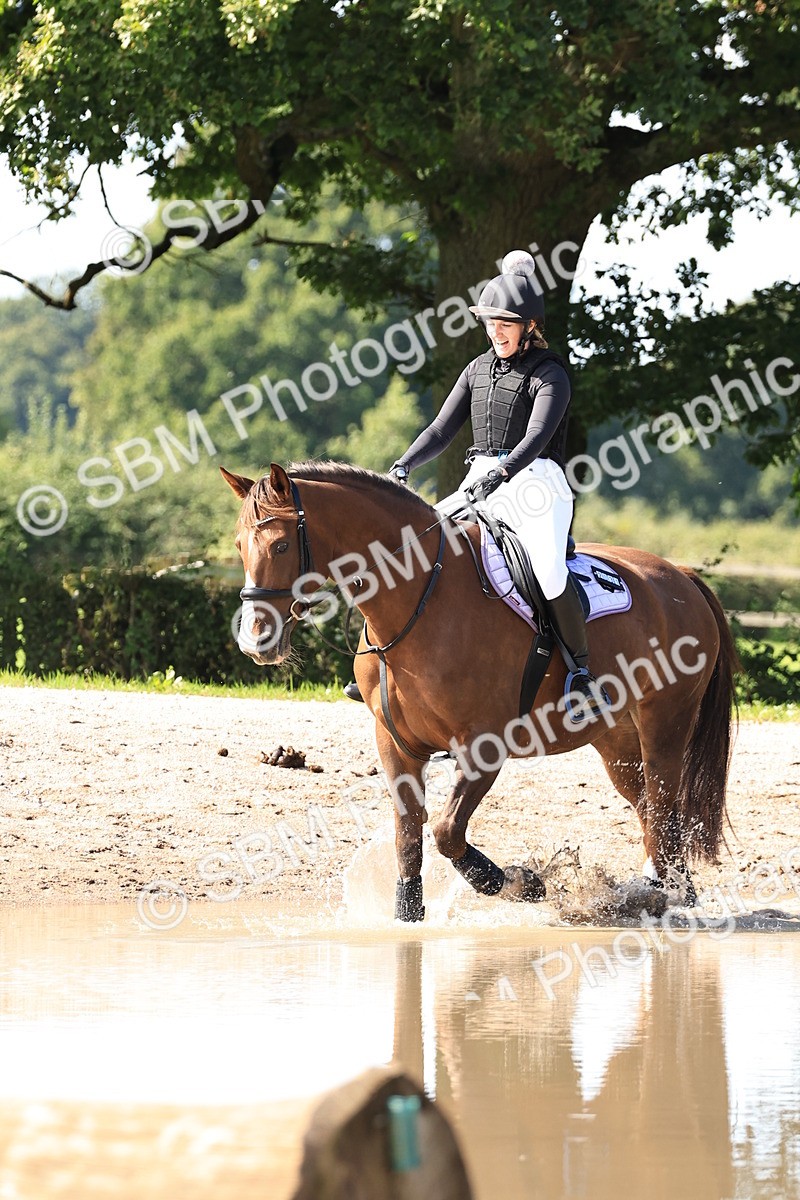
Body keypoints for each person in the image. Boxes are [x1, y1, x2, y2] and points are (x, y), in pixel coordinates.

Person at [344, 250, 609, 723]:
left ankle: (581, 675)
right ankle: (383, 658)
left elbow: (537, 437)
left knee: (548, 571)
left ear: (529, 325)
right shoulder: (476, 371)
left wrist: (503, 471)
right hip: (480, 479)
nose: (496, 331)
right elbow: (442, 430)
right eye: (490, 323)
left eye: (506, 323)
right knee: (415, 546)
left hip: (536, 484)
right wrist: (404, 463)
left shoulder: (551, 374)